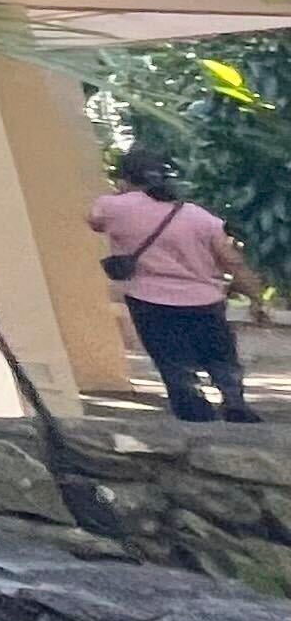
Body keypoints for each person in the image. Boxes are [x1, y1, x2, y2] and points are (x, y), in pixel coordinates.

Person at [91, 151, 264, 422]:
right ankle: (233, 400)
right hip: (205, 300)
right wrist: (256, 298)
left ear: (124, 179)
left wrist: (123, 196)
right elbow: (232, 261)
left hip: (149, 300)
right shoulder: (198, 216)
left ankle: (194, 411)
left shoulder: (112, 207)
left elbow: (95, 222)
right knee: (220, 355)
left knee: (172, 360)